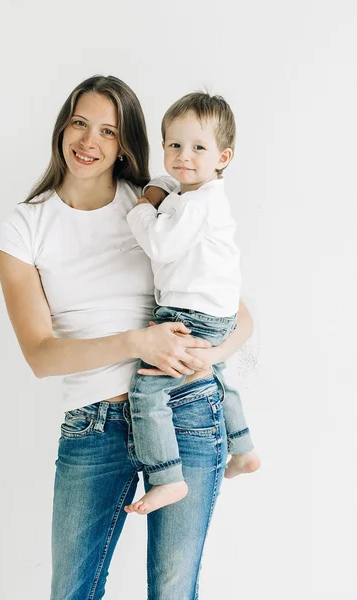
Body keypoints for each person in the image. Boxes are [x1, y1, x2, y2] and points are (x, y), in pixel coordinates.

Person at [0, 75, 254, 600]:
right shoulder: (23, 226)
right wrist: (139, 343)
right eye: (80, 123)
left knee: (174, 592)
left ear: (126, 142)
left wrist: (209, 356)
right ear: (62, 127)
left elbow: (236, 310)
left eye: (108, 131)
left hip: (186, 411)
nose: (90, 142)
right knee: (71, 591)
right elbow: (41, 356)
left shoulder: (156, 206)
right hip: (95, 423)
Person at [125, 92, 261, 515]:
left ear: (224, 156)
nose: (184, 156)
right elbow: (173, 188)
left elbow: (160, 245)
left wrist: (142, 208)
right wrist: (163, 187)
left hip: (189, 314)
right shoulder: (197, 196)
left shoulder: (196, 205)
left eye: (198, 148)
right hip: (216, 314)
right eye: (174, 145)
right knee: (211, 371)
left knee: (147, 390)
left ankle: (167, 477)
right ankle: (242, 449)